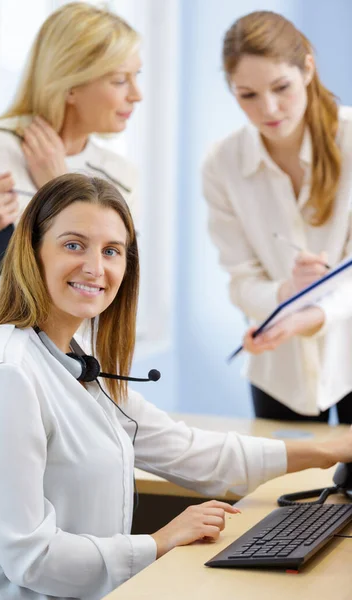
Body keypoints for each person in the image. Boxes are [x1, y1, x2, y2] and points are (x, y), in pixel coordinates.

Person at [0, 173, 352, 600]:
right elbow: (31, 558)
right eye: (73, 245)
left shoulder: (76, 359)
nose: (95, 267)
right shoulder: (7, 374)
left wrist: (333, 449)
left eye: (111, 251)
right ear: (33, 253)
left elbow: (191, 452)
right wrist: (160, 542)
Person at [0, 1, 142, 339]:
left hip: (49, 355)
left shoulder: (120, 178)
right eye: (119, 81)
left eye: (135, 78)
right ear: (70, 84)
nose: (137, 95)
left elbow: (105, 285)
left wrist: (57, 189)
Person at [202, 10, 352, 422]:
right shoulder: (222, 163)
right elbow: (241, 279)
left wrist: (313, 315)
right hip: (280, 370)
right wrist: (286, 291)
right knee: (283, 488)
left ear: (307, 68)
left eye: (281, 87)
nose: (268, 108)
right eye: (247, 95)